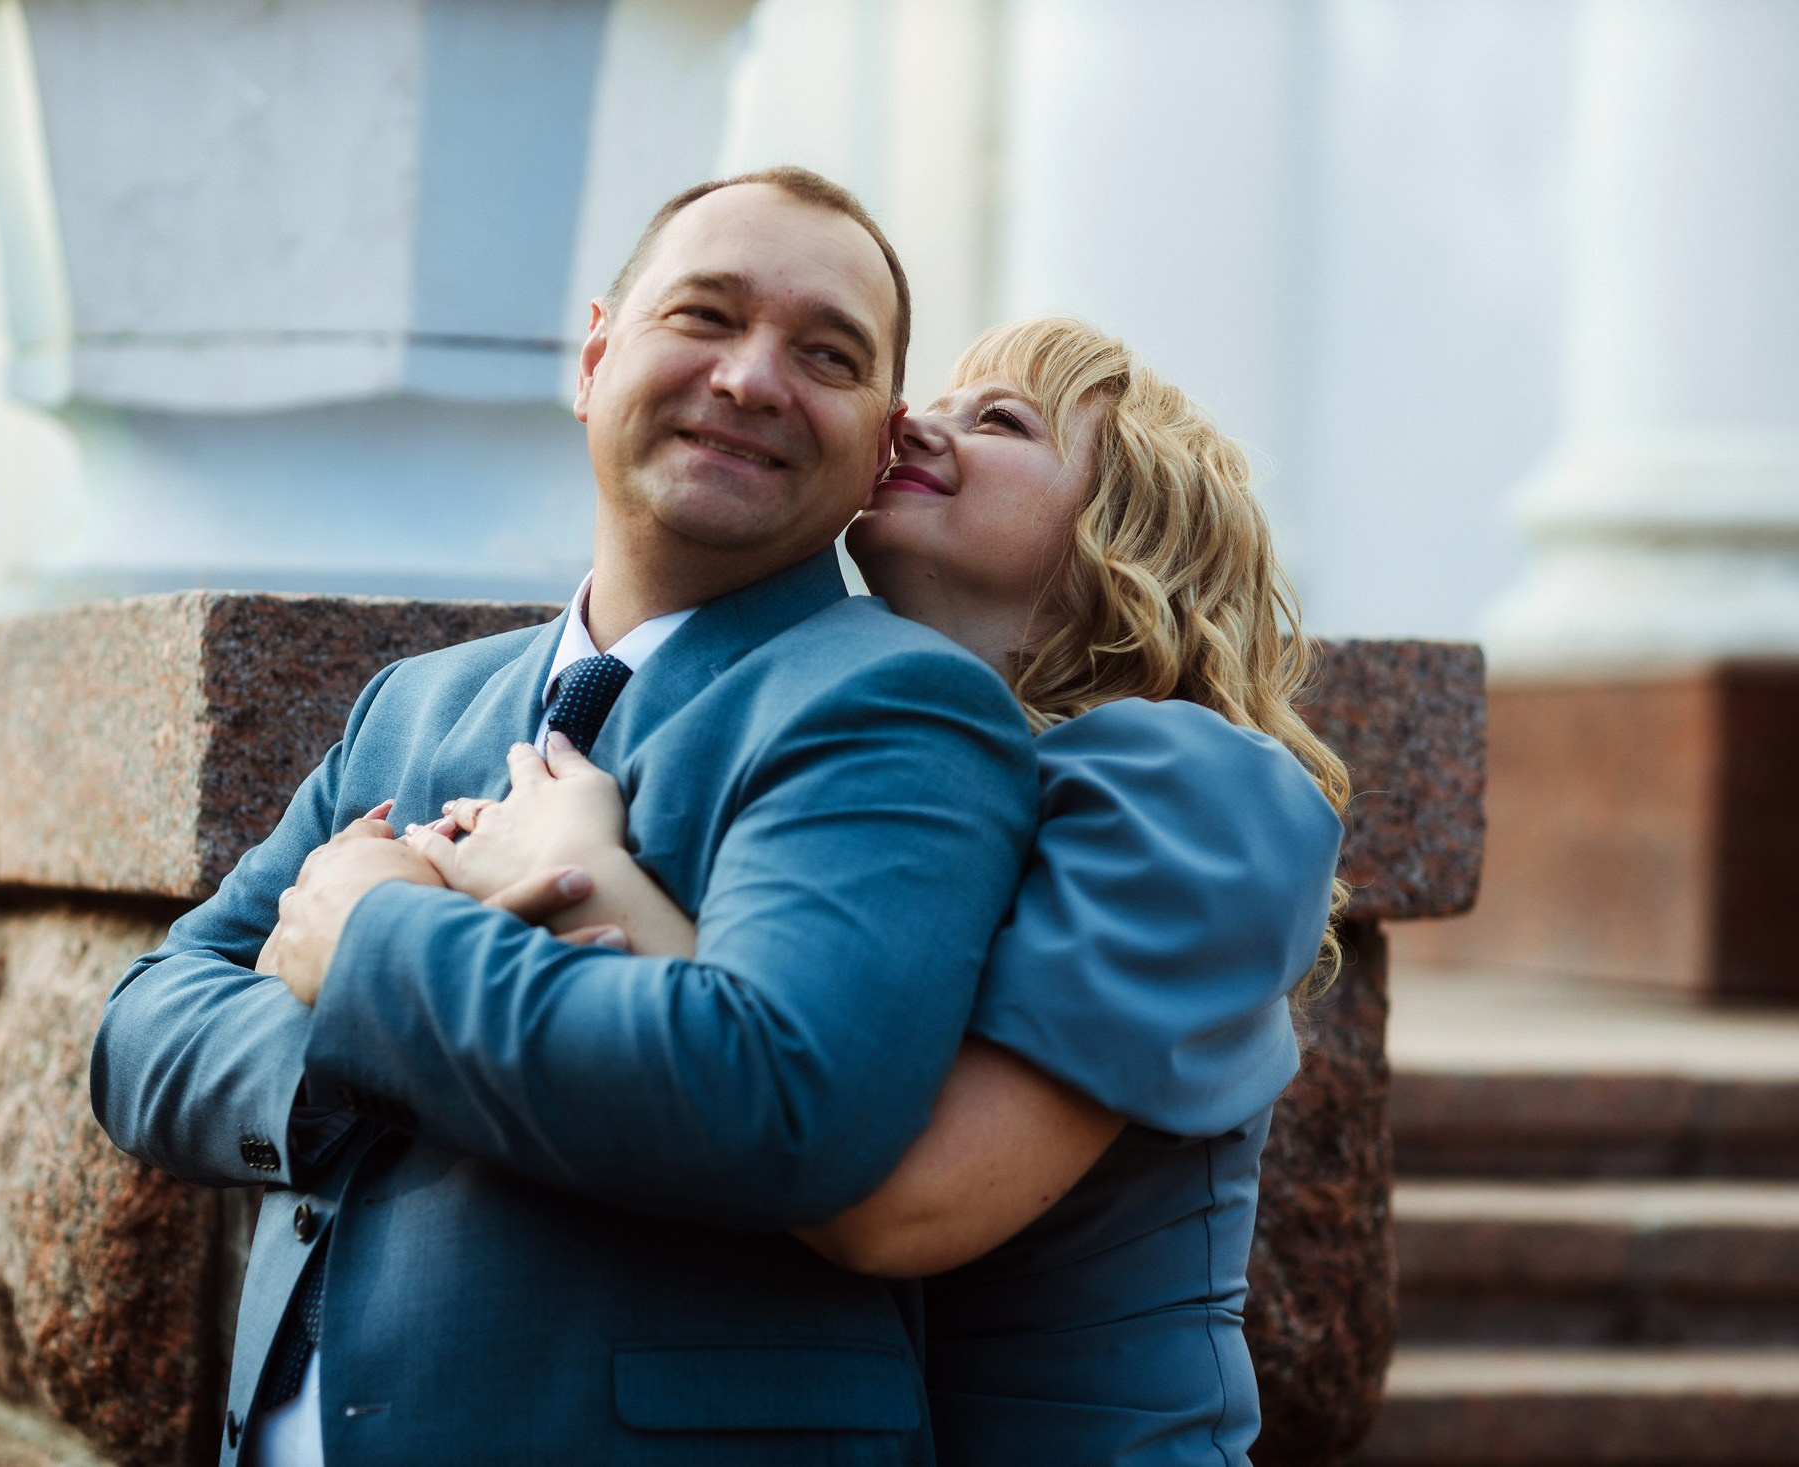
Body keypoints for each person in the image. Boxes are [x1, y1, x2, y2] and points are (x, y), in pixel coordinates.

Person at [88, 167, 1040, 1466]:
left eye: (827, 354)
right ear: (595, 361)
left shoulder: (897, 703)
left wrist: (369, 945)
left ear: (880, 447)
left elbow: (789, 1101)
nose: (753, 379)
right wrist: (356, 1058)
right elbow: (144, 1029)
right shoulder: (413, 705)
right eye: (704, 315)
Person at [405, 316, 1348, 1465]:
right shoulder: (858, 764)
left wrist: (584, 878)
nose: (917, 425)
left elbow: (903, 1203)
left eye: (1000, 421)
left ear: (1131, 530)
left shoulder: (1188, 785)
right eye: (930, 403)